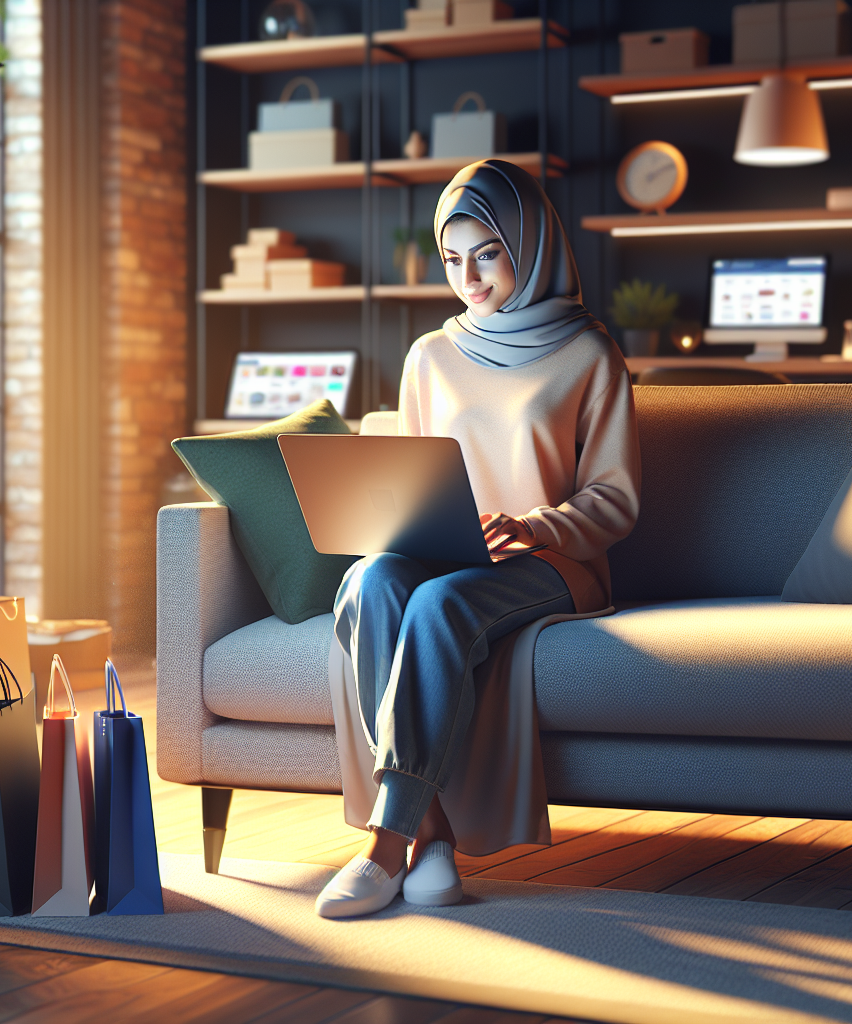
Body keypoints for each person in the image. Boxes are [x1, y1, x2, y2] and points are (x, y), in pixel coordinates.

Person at [316, 159, 640, 918]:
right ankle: (429, 836)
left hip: (556, 565)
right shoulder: (429, 355)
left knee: (439, 605)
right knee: (370, 580)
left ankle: (384, 845)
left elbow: (616, 501)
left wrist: (530, 526)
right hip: (447, 554)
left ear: (528, 244)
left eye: (486, 253)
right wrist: (394, 522)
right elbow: (415, 475)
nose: (468, 276)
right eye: (452, 258)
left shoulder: (590, 353)